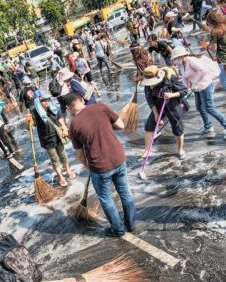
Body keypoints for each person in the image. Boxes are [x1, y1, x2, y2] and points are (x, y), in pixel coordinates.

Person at [66, 93, 136, 237]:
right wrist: (105, 126)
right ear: (81, 100)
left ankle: (118, 230)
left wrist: (89, 167)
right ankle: (131, 224)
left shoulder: (74, 125)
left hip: (99, 167)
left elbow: (80, 154)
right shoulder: (101, 107)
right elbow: (121, 125)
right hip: (118, 157)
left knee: (106, 199)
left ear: (68, 109)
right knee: (126, 193)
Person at [172, 47, 226, 138]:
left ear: (181, 56)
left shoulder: (191, 60)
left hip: (205, 85)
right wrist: (185, 90)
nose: (175, 61)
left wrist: (196, 82)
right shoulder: (182, 65)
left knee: (209, 107)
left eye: (176, 58)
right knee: (199, 107)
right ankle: (208, 126)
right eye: (174, 59)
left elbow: (204, 70)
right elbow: (185, 78)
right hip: (196, 88)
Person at [140, 65, 191, 160]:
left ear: (158, 75)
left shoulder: (170, 77)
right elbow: (149, 98)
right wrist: (156, 114)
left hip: (173, 106)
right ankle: (147, 150)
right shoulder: (148, 84)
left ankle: (180, 150)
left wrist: (172, 95)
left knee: (177, 129)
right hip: (158, 106)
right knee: (149, 126)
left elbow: (184, 90)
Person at [28, 91, 76, 186]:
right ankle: (60, 176)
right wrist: (28, 122)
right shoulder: (34, 112)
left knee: (63, 154)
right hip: (47, 139)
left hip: (58, 136)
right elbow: (30, 127)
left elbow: (59, 117)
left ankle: (68, 170)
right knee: (54, 158)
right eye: (43, 100)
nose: (46, 102)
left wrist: (63, 126)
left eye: (48, 99)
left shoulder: (52, 108)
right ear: (38, 101)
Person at [201, 11, 226, 107]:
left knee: (225, 82)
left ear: (212, 21)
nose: (208, 24)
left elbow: (214, 48)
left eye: (208, 22)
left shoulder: (215, 32)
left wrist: (206, 45)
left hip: (223, 59)